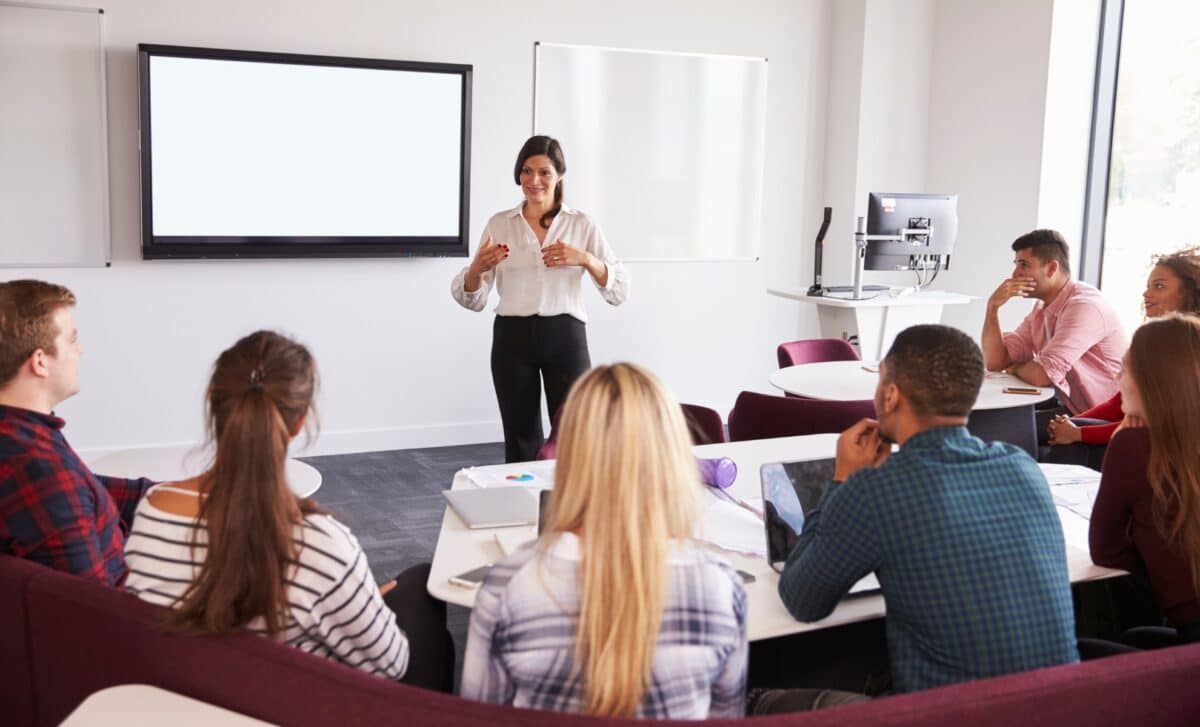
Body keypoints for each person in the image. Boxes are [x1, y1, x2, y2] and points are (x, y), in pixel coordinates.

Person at [123, 331, 454, 690]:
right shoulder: (319, 543)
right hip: (293, 706)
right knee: (421, 590)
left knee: (416, 580)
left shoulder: (152, 510)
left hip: (185, 699)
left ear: (214, 406)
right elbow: (391, 665)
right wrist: (362, 598)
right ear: (299, 423)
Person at [771, 324, 1078, 703]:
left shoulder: (878, 490)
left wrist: (843, 480)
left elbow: (801, 600)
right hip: (1063, 707)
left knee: (759, 698)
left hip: (947, 715)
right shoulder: (1022, 467)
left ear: (891, 394)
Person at [459, 363, 747, 718]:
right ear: (673, 457)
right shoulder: (721, 585)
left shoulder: (508, 584)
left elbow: (480, 717)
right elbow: (725, 715)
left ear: (569, 457)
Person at [451, 136, 630, 463]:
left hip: (565, 335)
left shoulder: (581, 224)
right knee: (520, 437)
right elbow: (473, 298)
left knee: (576, 433)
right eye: (527, 171)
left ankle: (574, 508)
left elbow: (619, 291)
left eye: (544, 172)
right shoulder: (499, 224)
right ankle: (525, 508)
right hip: (512, 338)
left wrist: (585, 259)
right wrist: (476, 268)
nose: (534, 181)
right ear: (518, 174)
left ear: (560, 175)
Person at [0, 279, 153, 587]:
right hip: (133, 625)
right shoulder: (38, 467)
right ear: (40, 361)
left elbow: (90, 491)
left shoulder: (22, 436)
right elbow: (92, 614)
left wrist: (199, 494)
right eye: (72, 340)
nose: (80, 351)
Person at [1089, 314, 1200, 646]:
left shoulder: (1135, 446)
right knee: (1139, 637)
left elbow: (1106, 552)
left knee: (1083, 649)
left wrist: (1153, 556)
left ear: (1154, 381)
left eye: (1125, 370)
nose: (1118, 379)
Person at [1047, 247, 1200, 467]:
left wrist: (1077, 434)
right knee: (1053, 431)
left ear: (1190, 292)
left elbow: (1151, 425)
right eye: (1148, 287)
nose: (1147, 294)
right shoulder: (1153, 340)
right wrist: (1071, 425)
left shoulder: (1185, 348)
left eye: (1159, 286)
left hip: (1168, 449)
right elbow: (1118, 404)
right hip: (1139, 435)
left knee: (1069, 442)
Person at [981, 229, 1125, 425]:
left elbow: (1042, 376)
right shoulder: (1041, 308)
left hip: (1098, 419)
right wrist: (993, 307)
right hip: (1068, 408)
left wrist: (1015, 369)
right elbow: (997, 362)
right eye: (1016, 265)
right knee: (989, 419)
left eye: (1024, 265)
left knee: (999, 426)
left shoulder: (1084, 306)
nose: (1015, 274)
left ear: (1051, 268)